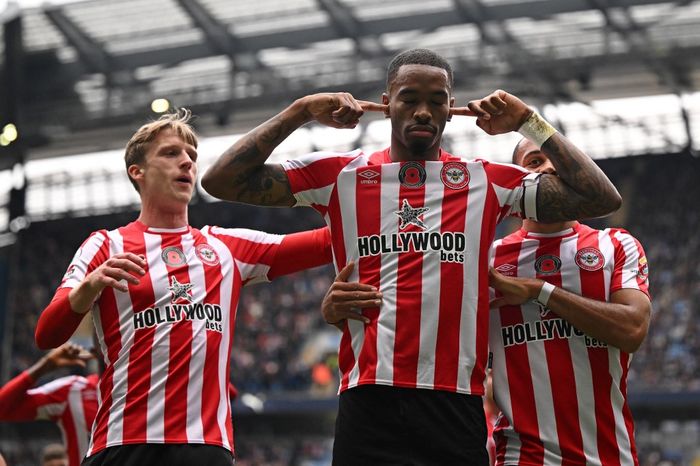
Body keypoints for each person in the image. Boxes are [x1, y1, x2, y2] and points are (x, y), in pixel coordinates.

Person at [202, 48, 622, 465]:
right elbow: (221, 180)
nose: (423, 111)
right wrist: (300, 111)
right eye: (409, 98)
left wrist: (528, 121)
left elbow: (599, 198)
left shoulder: (484, 180)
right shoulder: (340, 176)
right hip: (369, 402)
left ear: (451, 108)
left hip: (454, 406)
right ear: (387, 104)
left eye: (437, 100)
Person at [34, 110, 333, 466]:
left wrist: (379, 201)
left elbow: (323, 243)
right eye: (171, 153)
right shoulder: (104, 246)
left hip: (204, 448)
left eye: (191, 155)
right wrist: (90, 286)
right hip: (123, 443)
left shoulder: (226, 247)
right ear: (137, 171)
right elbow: (47, 334)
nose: (187, 162)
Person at [486, 138, 652, 465]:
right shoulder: (487, 259)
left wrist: (539, 291)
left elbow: (633, 329)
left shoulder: (616, 245)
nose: (548, 167)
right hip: (522, 456)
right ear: (518, 178)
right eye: (534, 162)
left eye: (557, 162)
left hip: (608, 455)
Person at [0, 343, 97, 466]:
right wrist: (45, 365)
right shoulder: (73, 390)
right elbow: (2, 407)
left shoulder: (128, 393)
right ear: (95, 349)